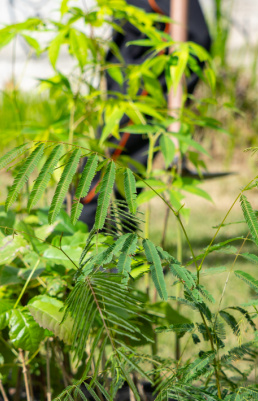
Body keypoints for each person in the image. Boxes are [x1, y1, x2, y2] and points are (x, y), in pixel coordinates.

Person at [78, 0, 212, 229]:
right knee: (116, 145)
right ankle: (77, 231)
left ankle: (122, 242)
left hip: (148, 35)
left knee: (131, 154)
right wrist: (175, 124)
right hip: (150, 39)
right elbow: (179, 45)